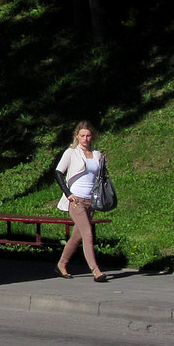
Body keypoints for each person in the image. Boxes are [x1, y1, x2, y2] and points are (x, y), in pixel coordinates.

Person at [53, 121, 108, 282]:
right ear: (77, 136)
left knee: (77, 237)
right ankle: (96, 271)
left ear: (92, 137)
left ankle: (61, 264)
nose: (85, 138)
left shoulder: (97, 155)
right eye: (82, 135)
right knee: (88, 234)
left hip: (91, 201)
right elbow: (58, 172)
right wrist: (68, 193)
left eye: (88, 135)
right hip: (76, 200)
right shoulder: (71, 153)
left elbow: (99, 177)